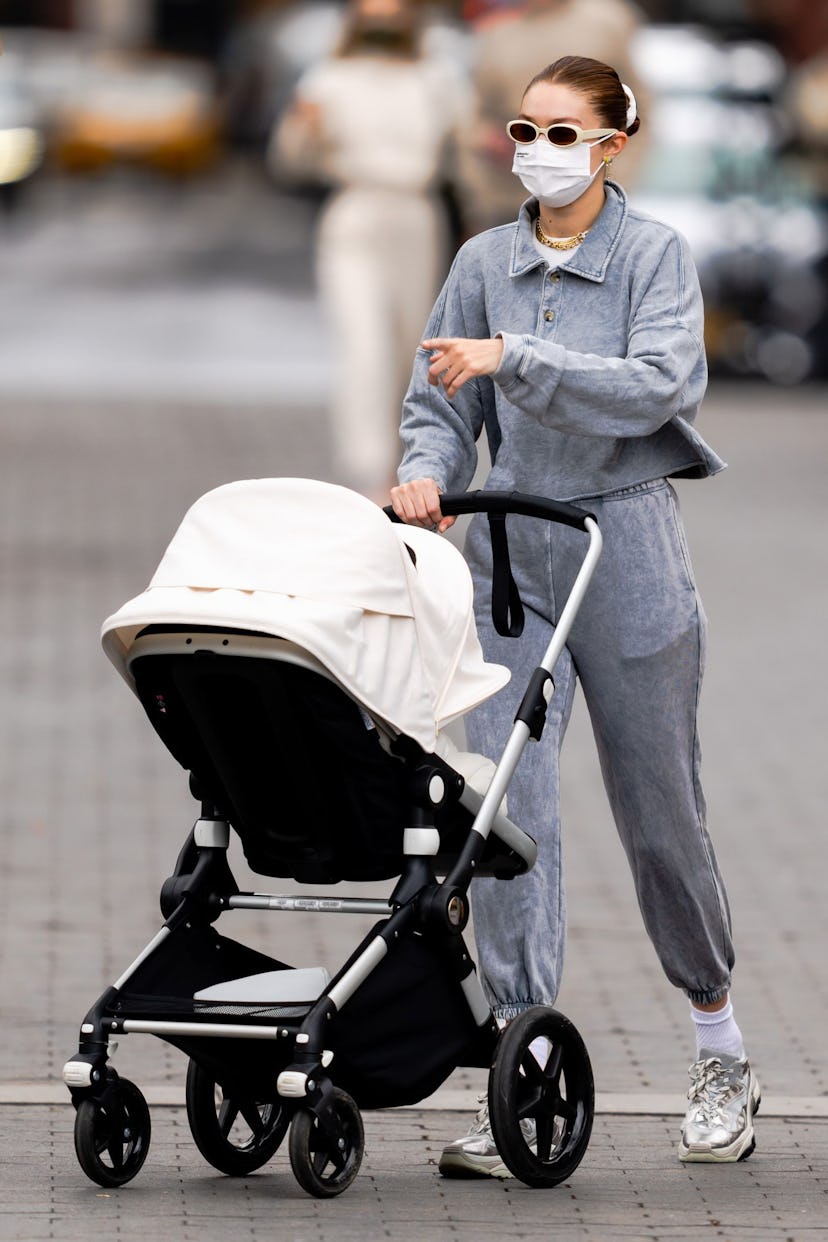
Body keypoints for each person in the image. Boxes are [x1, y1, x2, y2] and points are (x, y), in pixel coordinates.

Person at [390, 55, 760, 1173]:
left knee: (660, 811)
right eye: (523, 128)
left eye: (562, 131)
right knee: (509, 816)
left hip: (626, 546)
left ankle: (719, 1046)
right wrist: (423, 472)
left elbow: (660, 387)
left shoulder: (653, 257)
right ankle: (522, 1061)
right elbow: (438, 398)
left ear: (612, 144)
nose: (534, 148)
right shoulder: (482, 261)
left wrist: (521, 357)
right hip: (513, 551)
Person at [272, 0, 470, 502]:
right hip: (356, 211)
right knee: (365, 346)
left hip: (416, 215)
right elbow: (288, 160)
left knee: (411, 349)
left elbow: (467, 145)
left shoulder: (434, 77)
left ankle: (409, 467)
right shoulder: (329, 78)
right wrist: (302, 127)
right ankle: (368, 472)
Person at [458, 0, 649, 233]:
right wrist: (487, 140)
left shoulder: (607, 23)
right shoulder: (496, 35)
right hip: (510, 202)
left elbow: (638, 109)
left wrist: (617, 177)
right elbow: (472, 120)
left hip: (592, 201)